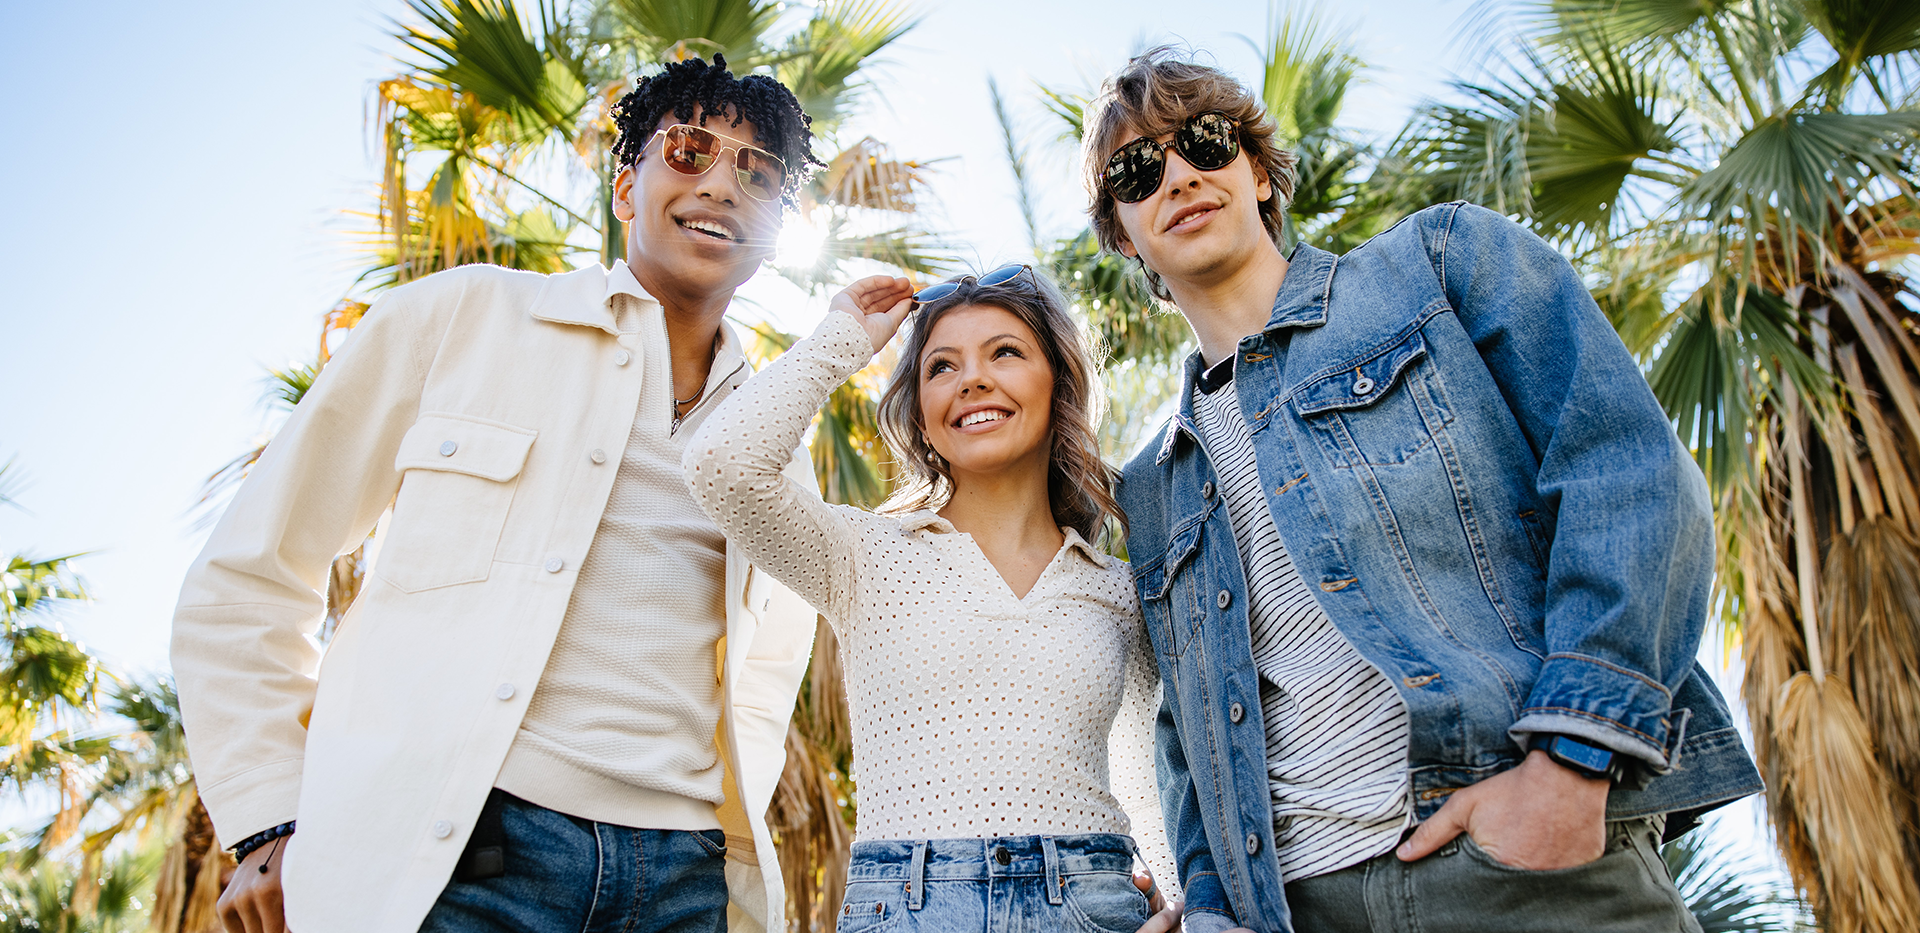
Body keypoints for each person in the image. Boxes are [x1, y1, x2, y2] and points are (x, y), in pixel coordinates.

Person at [1082, 48, 1764, 933]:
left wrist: (1574, 762)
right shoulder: (1152, 482)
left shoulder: (1437, 267)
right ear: (1124, 232)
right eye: (1138, 170)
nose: (1177, 174)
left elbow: (1626, 472)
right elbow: (1188, 738)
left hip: (1514, 869)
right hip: (1298, 908)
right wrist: (1211, 907)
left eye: (1204, 142)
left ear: (1255, 170)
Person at [172, 55, 824, 933]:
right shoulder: (460, 320)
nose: (722, 185)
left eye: (759, 172)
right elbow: (251, 575)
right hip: (461, 861)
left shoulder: (779, 436)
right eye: (691, 149)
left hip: (683, 882)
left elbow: (761, 683)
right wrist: (269, 815)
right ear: (627, 189)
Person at [684, 268, 1182, 931]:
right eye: (942, 366)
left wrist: (1185, 910)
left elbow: (1146, 778)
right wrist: (846, 336)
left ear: (1058, 380)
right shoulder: (864, 554)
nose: (972, 378)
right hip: (909, 906)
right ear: (919, 410)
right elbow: (720, 462)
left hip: (1094, 902)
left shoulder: (1117, 589)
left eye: (1005, 351)